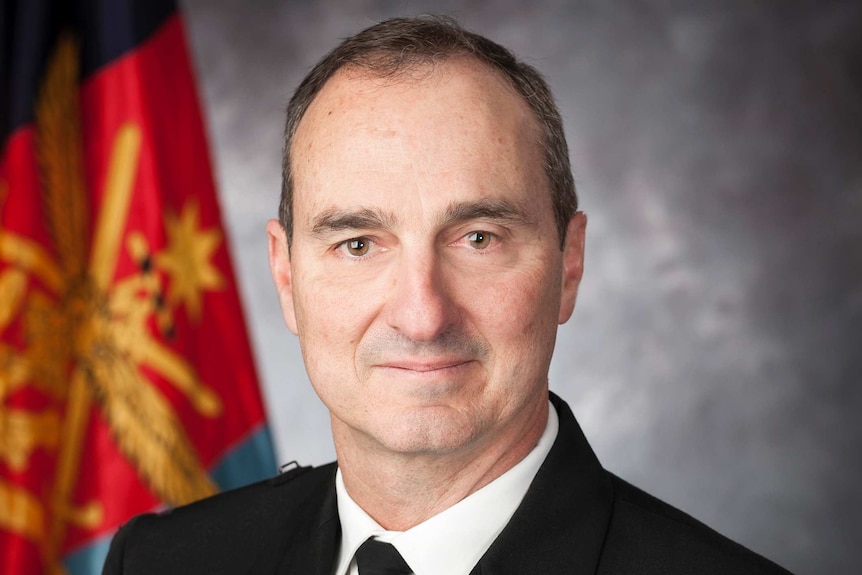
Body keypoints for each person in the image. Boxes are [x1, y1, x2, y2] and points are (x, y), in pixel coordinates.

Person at [102, 16, 792, 575]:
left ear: (569, 264)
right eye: (359, 243)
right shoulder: (164, 562)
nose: (422, 314)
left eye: (479, 238)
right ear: (286, 277)